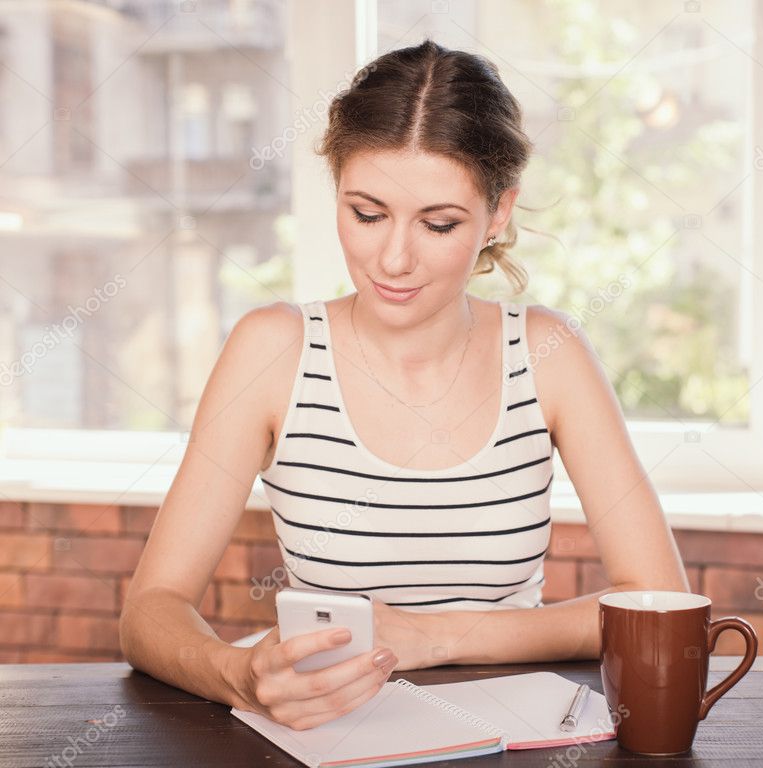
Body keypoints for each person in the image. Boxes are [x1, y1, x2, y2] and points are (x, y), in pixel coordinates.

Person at [119, 38, 689, 732]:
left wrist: (435, 635)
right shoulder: (272, 352)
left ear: (498, 214)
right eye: (367, 213)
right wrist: (235, 674)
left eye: (439, 223)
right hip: (331, 735)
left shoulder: (548, 354)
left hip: (513, 734)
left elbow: (657, 597)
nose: (393, 257)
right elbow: (152, 610)